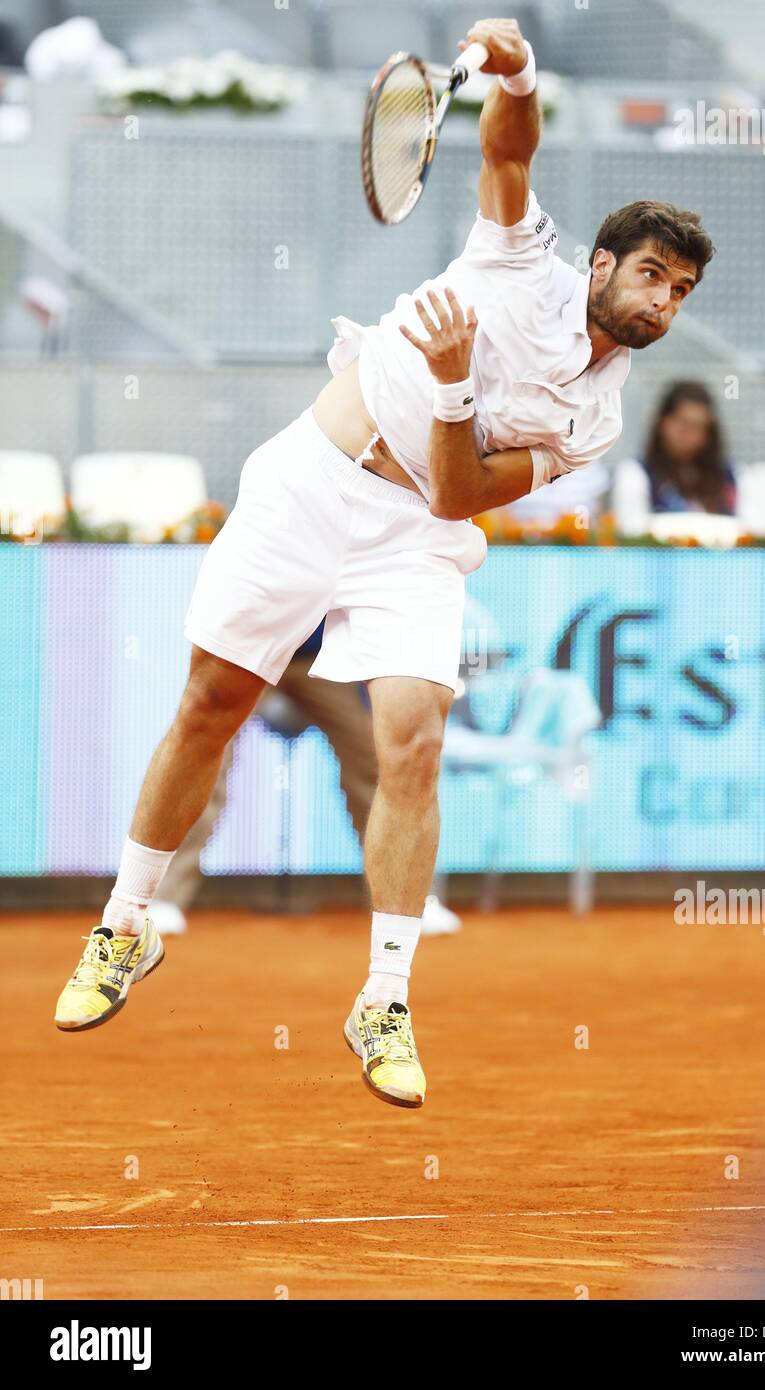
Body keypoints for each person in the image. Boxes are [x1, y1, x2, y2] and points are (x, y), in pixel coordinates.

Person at [54, 16, 714, 1110]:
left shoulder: (595, 418)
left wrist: (455, 386)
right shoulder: (517, 254)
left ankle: (385, 999)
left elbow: (460, 493)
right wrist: (517, 66)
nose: (660, 301)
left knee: (411, 745)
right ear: (599, 263)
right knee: (212, 701)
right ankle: (124, 925)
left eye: (679, 292)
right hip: (310, 478)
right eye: (649, 273)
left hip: (415, 532)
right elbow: (509, 148)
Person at [150, 618, 461, 938]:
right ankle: (160, 899)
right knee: (203, 760)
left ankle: (411, 904)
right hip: (252, 650)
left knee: (379, 766)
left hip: (328, 658)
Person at [612, 381, 736, 536]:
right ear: (663, 423)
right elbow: (632, 533)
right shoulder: (635, 473)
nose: (692, 437)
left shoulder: (731, 476)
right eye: (685, 425)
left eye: (700, 428)